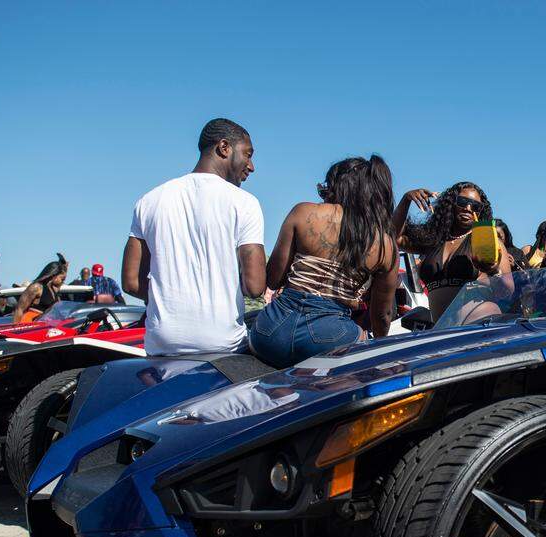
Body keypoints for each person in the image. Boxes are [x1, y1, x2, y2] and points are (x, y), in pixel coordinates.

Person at [123, 118, 266, 355]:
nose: (251, 166)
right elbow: (255, 286)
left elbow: (130, 282)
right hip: (223, 345)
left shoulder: (149, 200)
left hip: (162, 344)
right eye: (247, 155)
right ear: (224, 147)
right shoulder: (245, 203)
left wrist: (170, 297)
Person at [250, 156, 398, 368]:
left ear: (337, 185)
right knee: (361, 342)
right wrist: (378, 346)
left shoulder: (303, 212)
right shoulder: (384, 244)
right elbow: (382, 315)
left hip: (271, 330)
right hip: (330, 336)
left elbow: (273, 280)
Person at [393, 181, 512, 320]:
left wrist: (493, 270)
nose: (468, 208)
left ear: (480, 212)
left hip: (478, 322)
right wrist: (406, 200)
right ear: (450, 204)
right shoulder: (432, 240)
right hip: (442, 327)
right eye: (462, 202)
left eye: (475, 206)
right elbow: (394, 237)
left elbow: (508, 290)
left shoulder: (488, 242)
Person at [13, 253, 68, 322]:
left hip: (45, 324)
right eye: (62, 279)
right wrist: (16, 327)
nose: (62, 282)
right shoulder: (36, 287)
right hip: (30, 323)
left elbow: (61, 278)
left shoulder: (53, 289)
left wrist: (64, 266)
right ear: (54, 275)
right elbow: (19, 309)